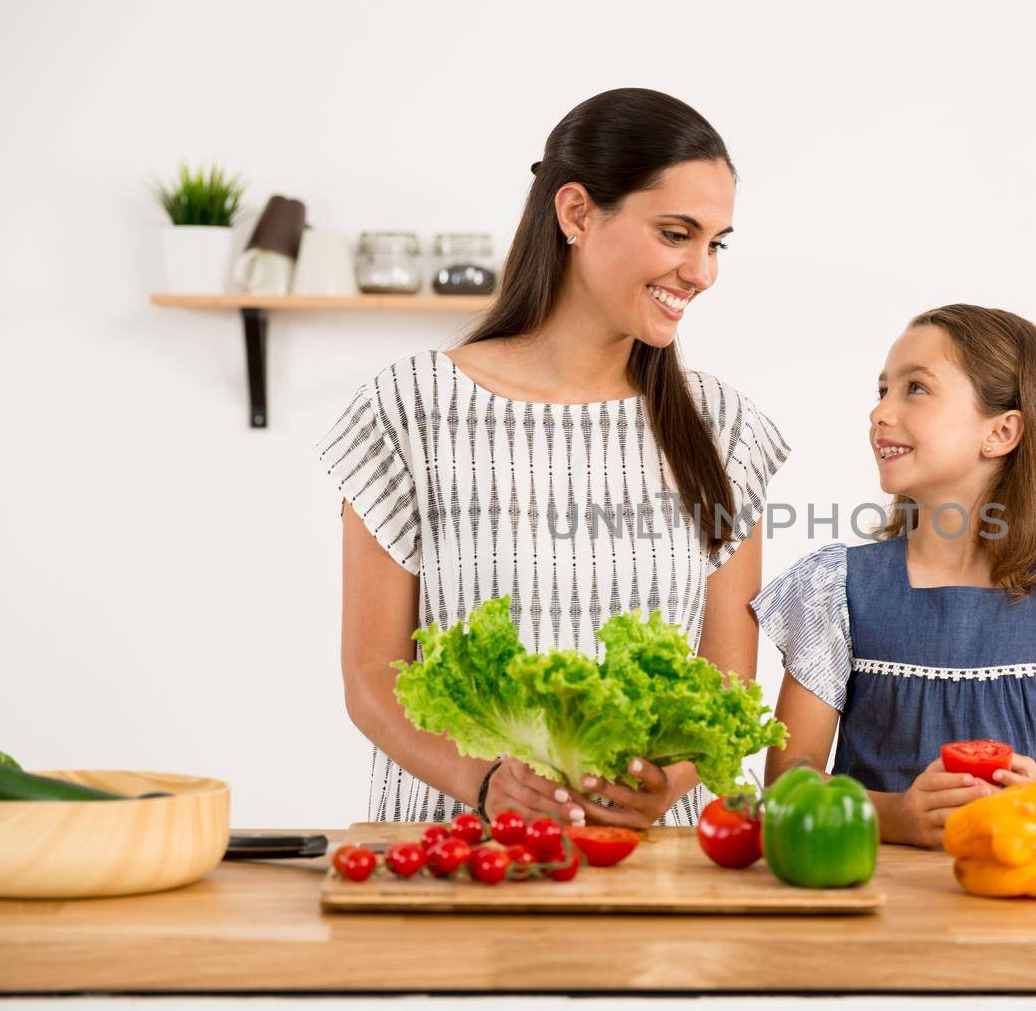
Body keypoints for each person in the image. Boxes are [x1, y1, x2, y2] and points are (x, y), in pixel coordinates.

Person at [316, 89, 788, 828]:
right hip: (461, 857)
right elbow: (372, 676)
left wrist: (671, 778)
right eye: (676, 234)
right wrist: (485, 783)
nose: (702, 272)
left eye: (716, 243)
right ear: (575, 213)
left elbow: (725, 686)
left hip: (650, 868)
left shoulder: (720, 427)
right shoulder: (409, 408)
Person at [752, 304, 1036, 847]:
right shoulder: (836, 587)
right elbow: (789, 781)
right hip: (876, 896)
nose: (880, 412)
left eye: (916, 389)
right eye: (882, 390)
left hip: (1022, 897)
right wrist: (896, 816)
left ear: (1000, 432)